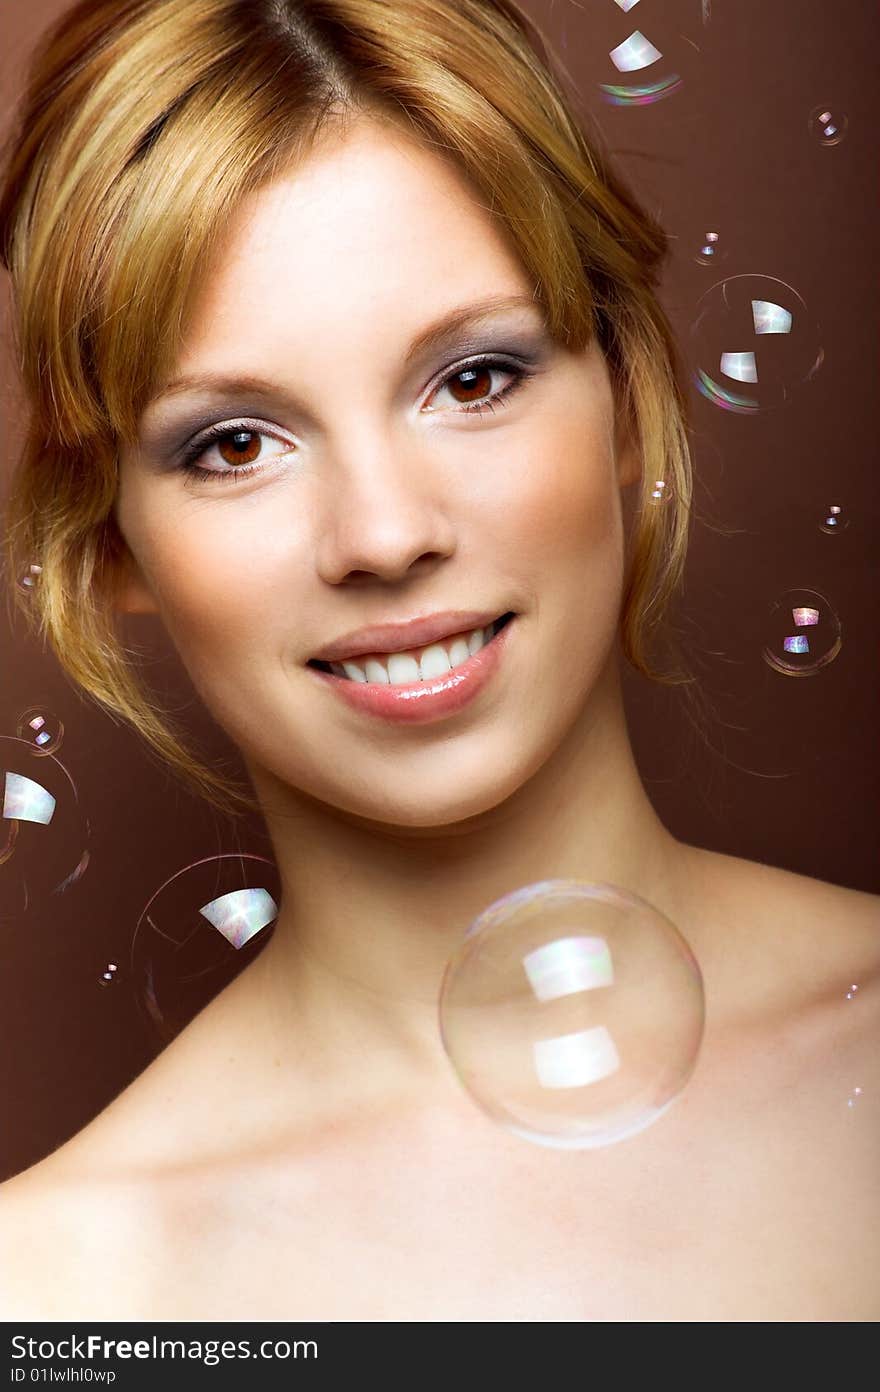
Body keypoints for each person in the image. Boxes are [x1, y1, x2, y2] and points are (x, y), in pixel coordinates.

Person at [0, 0, 876, 1322]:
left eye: (472, 379)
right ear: (107, 539)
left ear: (631, 393)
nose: (386, 534)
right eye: (232, 442)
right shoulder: (58, 1295)